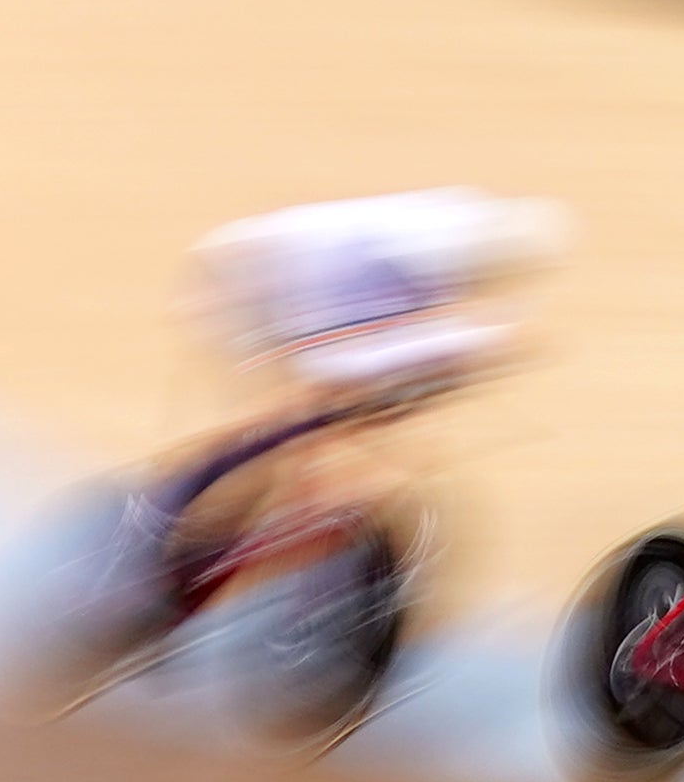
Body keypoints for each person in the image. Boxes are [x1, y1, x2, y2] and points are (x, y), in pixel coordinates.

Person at [143, 185, 566, 574]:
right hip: (246, 286)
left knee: (343, 419)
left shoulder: (466, 248)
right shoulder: (378, 262)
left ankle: (231, 542)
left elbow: (427, 348)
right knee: (286, 427)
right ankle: (166, 516)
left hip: (308, 288)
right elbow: (331, 363)